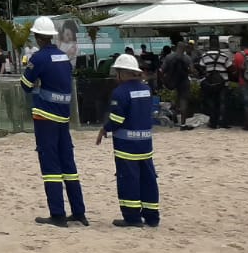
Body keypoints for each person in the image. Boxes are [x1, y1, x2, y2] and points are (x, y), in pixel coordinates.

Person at [22, 16, 88, 228]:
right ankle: (78, 212)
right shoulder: (62, 57)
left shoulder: (38, 59)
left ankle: (58, 214)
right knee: (68, 165)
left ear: (38, 36)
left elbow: (25, 85)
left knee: (50, 166)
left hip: (45, 116)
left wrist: (38, 85)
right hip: (63, 117)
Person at [95, 53, 159, 228]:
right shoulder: (146, 90)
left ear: (122, 73)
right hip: (145, 144)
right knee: (148, 179)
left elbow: (116, 120)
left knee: (128, 180)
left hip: (126, 147)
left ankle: (132, 218)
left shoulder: (120, 92)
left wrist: (104, 129)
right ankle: (152, 216)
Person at [198, 37, 232, 130]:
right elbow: (230, 68)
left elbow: (201, 68)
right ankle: (223, 122)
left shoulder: (204, 56)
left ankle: (213, 122)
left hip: (210, 84)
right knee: (223, 102)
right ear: (218, 45)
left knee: (212, 103)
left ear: (209, 44)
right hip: (223, 83)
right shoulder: (224, 56)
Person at [161, 41, 193, 128]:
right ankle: (183, 124)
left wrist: (163, 81)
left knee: (173, 102)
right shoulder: (187, 58)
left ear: (176, 48)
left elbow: (162, 70)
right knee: (183, 102)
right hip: (184, 82)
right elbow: (192, 71)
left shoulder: (169, 57)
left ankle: (173, 120)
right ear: (184, 49)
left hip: (171, 83)